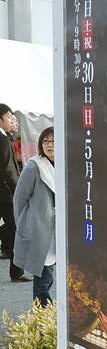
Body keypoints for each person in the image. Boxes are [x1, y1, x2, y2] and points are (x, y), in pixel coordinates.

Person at [13, 127, 56, 306]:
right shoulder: (34, 166)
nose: (49, 145)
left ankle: (44, 312)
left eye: (53, 141)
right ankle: (41, 313)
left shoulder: (64, 164)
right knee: (44, 274)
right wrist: (24, 225)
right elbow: (19, 199)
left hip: (57, 229)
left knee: (50, 272)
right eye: (45, 141)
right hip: (40, 230)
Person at [0, 103, 28, 282]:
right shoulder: (3, 140)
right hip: (6, 196)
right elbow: (8, 170)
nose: (12, 120)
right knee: (16, 231)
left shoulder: (6, 138)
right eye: (9, 117)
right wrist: (20, 191)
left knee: (9, 230)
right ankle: (17, 272)